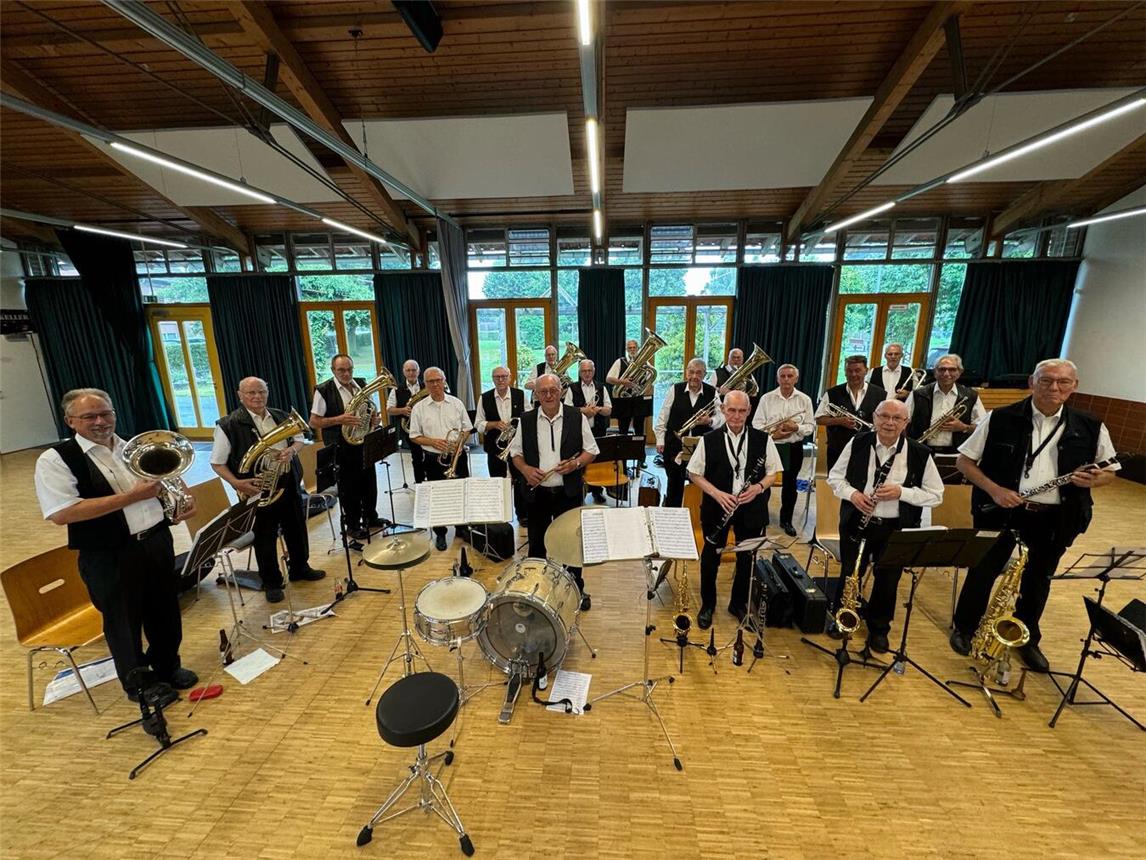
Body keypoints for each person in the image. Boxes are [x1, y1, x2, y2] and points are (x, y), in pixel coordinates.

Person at [949, 359, 1119, 673]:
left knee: (1039, 579)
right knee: (984, 569)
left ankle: (1026, 638)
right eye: (1047, 380)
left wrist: (1096, 479)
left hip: (1056, 516)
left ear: (1074, 386)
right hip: (1001, 509)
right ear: (1032, 381)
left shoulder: (1090, 425)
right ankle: (964, 627)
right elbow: (965, 463)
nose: (1054, 388)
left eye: (1063, 382)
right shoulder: (999, 418)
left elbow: (1109, 472)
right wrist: (995, 490)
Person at [34, 388, 199, 700]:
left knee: (165, 611)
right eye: (89, 416)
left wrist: (177, 504)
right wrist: (131, 497)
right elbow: (62, 512)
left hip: (156, 542)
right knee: (124, 622)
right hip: (109, 555)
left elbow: (166, 482)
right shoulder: (55, 460)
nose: (100, 421)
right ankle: (139, 685)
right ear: (70, 421)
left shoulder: (132, 447)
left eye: (105, 413)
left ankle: (167, 667)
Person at [827, 399, 944, 653]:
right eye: (884, 416)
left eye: (896, 418)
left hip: (894, 526)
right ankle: (842, 616)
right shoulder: (858, 442)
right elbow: (835, 478)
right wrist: (853, 495)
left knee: (888, 579)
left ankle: (879, 629)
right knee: (850, 572)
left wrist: (902, 492)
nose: (889, 423)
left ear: (906, 423)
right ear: (874, 417)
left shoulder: (919, 453)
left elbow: (936, 495)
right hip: (856, 519)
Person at [211, 377, 324, 603]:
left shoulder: (280, 415)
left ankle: (300, 568)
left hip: (287, 482)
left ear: (267, 392)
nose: (257, 397)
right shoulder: (228, 425)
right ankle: (271, 581)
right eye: (251, 393)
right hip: (255, 488)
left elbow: (300, 438)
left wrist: (292, 450)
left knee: (296, 528)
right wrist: (237, 483)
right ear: (240, 395)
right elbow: (217, 463)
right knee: (265, 536)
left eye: (261, 392)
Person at [687, 390, 781, 630]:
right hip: (718, 507)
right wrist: (716, 493)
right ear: (723, 410)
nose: (737, 416)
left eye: (742, 411)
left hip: (751, 507)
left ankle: (738, 604)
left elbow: (773, 473)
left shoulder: (764, 439)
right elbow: (694, 473)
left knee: (747, 557)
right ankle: (708, 605)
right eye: (732, 410)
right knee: (711, 557)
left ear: (749, 411)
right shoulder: (709, 439)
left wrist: (758, 488)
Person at [509, 373, 599, 611]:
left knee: (571, 545)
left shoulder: (575, 416)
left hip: (567, 494)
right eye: (543, 392)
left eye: (553, 390)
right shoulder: (526, 419)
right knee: (537, 545)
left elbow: (591, 450)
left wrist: (575, 464)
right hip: (537, 494)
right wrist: (526, 469)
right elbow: (515, 454)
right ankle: (536, 591)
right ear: (536, 395)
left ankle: (575, 589)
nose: (549, 396)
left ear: (561, 391)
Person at [308, 354, 382, 547]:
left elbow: (371, 410)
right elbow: (314, 421)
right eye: (342, 370)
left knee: (369, 482)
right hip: (341, 446)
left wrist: (374, 420)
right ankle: (352, 525)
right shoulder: (324, 390)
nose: (346, 373)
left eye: (349, 369)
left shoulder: (361, 384)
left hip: (363, 442)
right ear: (333, 370)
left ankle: (371, 517)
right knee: (349, 488)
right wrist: (339, 419)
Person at [408, 367, 473, 551]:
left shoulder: (456, 403)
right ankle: (441, 533)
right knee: (437, 497)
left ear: (444, 381)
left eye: (438, 380)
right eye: (431, 381)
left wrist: (459, 443)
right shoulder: (419, 408)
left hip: (456, 456)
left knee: (460, 493)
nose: (436, 384)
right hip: (432, 458)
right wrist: (433, 442)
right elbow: (414, 436)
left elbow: (467, 428)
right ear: (425, 384)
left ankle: (461, 528)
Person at [751, 363, 814, 536]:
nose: (786, 379)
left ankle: (786, 520)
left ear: (796, 378)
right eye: (783, 376)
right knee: (764, 484)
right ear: (777, 378)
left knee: (790, 484)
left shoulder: (805, 399)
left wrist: (796, 428)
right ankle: (761, 520)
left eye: (790, 376)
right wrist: (774, 435)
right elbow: (756, 425)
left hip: (794, 447)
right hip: (771, 446)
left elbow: (810, 426)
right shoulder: (767, 398)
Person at [655, 358, 720, 508]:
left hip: (701, 447)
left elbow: (722, 417)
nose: (694, 376)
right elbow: (663, 415)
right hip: (674, 445)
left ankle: (694, 515)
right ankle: (672, 516)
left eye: (699, 373)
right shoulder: (675, 389)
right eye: (691, 372)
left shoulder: (712, 392)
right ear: (686, 373)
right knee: (674, 485)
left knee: (698, 485)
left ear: (704, 374)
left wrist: (709, 421)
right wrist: (660, 439)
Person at [815, 354, 888, 470]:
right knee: (835, 484)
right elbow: (819, 419)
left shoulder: (881, 394)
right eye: (849, 371)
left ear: (866, 371)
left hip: (868, 449)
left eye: (858, 370)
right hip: (837, 449)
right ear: (845, 372)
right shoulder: (832, 393)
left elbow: (886, 419)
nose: (853, 374)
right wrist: (839, 421)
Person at [475, 366, 527, 525]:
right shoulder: (484, 397)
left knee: (520, 481)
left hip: (516, 447)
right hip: (494, 448)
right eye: (497, 377)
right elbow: (478, 424)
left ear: (510, 377)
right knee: (497, 481)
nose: (501, 380)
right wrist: (494, 424)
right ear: (492, 379)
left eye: (504, 376)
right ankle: (499, 514)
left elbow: (528, 418)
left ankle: (522, 514)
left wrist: (516, 427)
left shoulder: (520, 394)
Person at [905, 353, 985, 453]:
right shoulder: (917, 394)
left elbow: (983, 427)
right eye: (942, 369)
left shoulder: (971, 396)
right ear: (935, 372)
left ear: (959, 372)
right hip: (921, 451)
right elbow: (902, 422)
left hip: (956, 453)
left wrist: (964, 427)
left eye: (952, 369)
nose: (946, 374)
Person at [565, 359, 612, 502]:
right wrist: (583, 411)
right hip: (578, 432)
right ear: (579, 372)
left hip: (598, 431)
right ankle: (580, 493)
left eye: (589, 371)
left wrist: (597, 409)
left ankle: (597, 491)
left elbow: (608, 410)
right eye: (584, 371)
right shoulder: (571, 388)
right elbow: (567, 410)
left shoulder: (601, 387)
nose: (587, 373)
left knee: (596, 461)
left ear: (594, 371)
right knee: (580, 462)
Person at [606, 338, 653, 443]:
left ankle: (640, 456)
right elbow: (608, 379)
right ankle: (623, 457)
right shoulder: (620, 361)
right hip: (623, 400)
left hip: (638, 399)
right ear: (626, 349)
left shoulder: (644, 362)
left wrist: (644, 386)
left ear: (638, 348)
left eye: (634, 347)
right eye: (630, 348)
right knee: (623, 430)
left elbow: (652, 377)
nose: (632, 350)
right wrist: (623, 382)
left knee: (639, 429)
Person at [386, 359, 425, 484]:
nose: (411, 373)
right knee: (417, 456)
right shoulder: (396, 390)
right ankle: (420, 482)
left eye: (414, 370)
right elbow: (389, 409)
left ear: (418, 371)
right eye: (408, 370)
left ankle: (432, 479)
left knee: (430, 455)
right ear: (404, 372)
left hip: (428, 425)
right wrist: (402, 410)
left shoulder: (426, 386)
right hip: (410, 428)